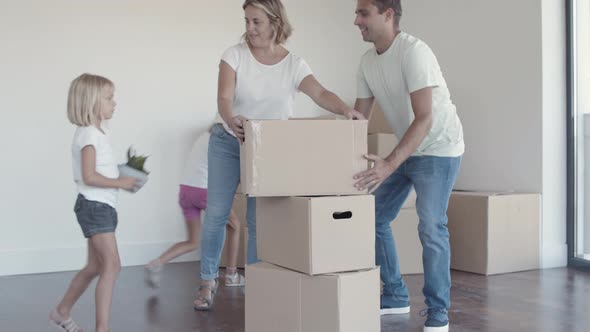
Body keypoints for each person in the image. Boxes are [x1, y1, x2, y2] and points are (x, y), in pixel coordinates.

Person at [194, 0, 364, 311]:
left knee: (261, 220)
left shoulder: (294, 64)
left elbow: (321, 93)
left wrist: (345, 110)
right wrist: (231, 119)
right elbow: (224, 98)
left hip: (268, 148)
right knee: (217, 214)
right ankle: (207, 281)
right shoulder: (234, 55)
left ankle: (260, 281)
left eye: (256, 21)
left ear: (274, 22)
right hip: (228, 141)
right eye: (246, 20)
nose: (249, 28)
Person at [351, 1, 464, 331]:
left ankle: (439, 310)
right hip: (409, 148)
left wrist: (388, 163)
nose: (356, 20)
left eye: (363, 13)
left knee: (431, 225)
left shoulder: (414, 52)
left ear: (388, 14)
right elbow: (358, 120)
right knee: (372, 216)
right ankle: (396, 295)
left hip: (440, 147)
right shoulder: (367, 62)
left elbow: (425, 117)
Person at [50, 73, 138, 332]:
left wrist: (121, 175)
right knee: (112, 265)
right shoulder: (89, 134)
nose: (115, 103)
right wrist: (120, 183)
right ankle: (103, 329)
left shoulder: (96, 133)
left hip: (99, 206)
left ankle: (61, 312)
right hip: (95, 206)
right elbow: (89, 176)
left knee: (94, 266)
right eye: (109, 98)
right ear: (91, 103)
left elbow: (98, 170)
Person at [144, 131, 245, 288]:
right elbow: (226, 169)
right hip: (204, 191)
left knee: (193, 241)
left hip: (186, 191)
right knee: (235, 225)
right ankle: (231, 275)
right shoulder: (223, 141)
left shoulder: (204, 136)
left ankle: (156, 263)